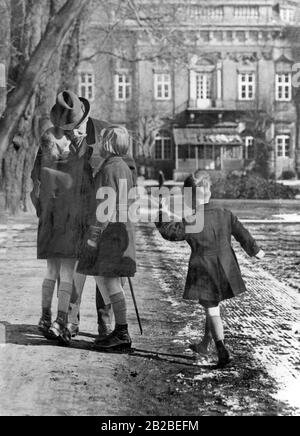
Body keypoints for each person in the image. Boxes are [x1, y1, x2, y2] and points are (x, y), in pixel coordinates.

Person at [155, 170, 265, 368]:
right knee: (212, 306)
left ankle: (222, 349)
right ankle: (205, 344)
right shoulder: (225, 213)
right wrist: (256, 250)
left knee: (212, 310)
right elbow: (242, 233)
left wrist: (161, 212)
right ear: (210, 191)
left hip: (204, 272)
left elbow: (169, 232)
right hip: (226, 269)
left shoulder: (192, 220)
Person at [31, 90, 112, 345]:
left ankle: (103, 321)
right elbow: (38, 178)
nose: (67, 129)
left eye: (70, 125)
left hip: (97, 211)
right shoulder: (53, 136)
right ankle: (67, 321)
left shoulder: (103, 132)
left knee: (100, 269)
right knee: (69, 270)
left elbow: (121, 167)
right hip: (68, 216)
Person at [77, 126, 136, 351]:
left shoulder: (110, 169)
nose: (99, 143)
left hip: (109, 234)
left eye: (102, 140)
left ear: (109, 144)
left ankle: (122, 331)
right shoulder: (121, 167)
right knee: (102, 279)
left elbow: (105, 208)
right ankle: (118, 330)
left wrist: (92, 237)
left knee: (110, 282)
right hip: (118, 231)